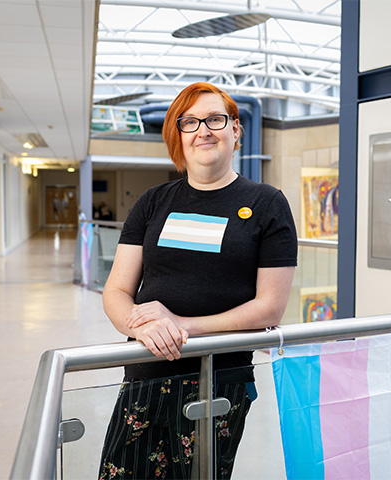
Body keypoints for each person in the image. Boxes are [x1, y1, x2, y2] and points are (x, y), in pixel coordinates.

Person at [98, 82, 297, 480]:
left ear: (236, 130)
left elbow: (269, 307)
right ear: (179, 136)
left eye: (215, 119)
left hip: (218, 381)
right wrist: (141, 325)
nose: (203, 130)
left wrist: (183, 326)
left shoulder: (266, 204)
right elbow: (117, 290)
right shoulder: (153, 201)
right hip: (146, 373)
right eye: (190, 122)